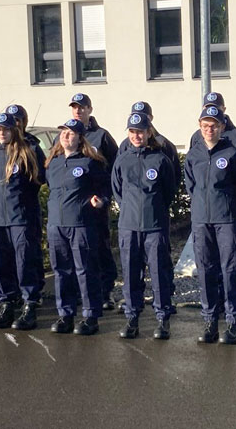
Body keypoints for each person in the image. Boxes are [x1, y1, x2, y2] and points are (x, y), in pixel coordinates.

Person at [184, 106, 236, 345]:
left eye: (213, 125)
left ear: (222, 127)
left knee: (231, 269)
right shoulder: (193, 155)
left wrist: (227, 205)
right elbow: (190, 187)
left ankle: (233, 321)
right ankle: (210, 319)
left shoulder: (232, 154)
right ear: (200, 127)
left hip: (226, 219)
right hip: (201, 220)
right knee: (206, 269)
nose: (209, 129)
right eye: (205, 125)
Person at [113, 113, 177, 339]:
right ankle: (132, 318)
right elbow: (118, 191)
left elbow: (169, 191)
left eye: (140, 131)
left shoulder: (160, 160)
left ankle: (162, 318)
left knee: (159, 272)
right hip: (129, 225)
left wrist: (152, 209)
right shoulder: (122, 160)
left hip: (155, 225)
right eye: (132, 131)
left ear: (149, 132)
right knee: (130, 273)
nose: (136, 135)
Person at [45, 119, 110, 336]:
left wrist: (102, 200)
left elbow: (106, 187)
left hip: (81, 224)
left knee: (85, 270)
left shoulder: (90, 163)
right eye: (63, 131)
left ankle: (90, 316)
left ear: (80, 138)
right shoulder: (52, 162)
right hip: (57, 225)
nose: (66, 136)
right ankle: (66, 314)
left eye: (72, 133)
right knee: (61, 271)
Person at [0, 113, 47, 330]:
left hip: (21, 218)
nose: (2, 133)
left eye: (6, 129)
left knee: (24, 262)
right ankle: (6, 303)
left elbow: (37, 182)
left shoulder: (26, 153)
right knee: (1, 264)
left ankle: (29, 304)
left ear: (15, 130)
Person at [69, 93, 119, 310]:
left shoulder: (101, 136)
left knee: (100, 247)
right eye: (74, 107)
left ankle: (105, 291)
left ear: (90, 109)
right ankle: (82, 292)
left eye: (82, 107)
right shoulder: (66, 135)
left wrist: (107, 197)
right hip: (74, 206)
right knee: (78, 251)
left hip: (96, 204)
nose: (78, 111)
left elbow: (116, 168)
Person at [189, 92, 236, 177]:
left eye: (216, 107)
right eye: (208, 108)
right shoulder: (197, 136)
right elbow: (191, 166)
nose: (212, 111)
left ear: (224, 109)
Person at [119, 101, 181, 183]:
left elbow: (173, 176)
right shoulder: (125, 145)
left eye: (144, 116)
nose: (139, 119)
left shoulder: (163, 144)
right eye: (134, 116)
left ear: (151, 118)